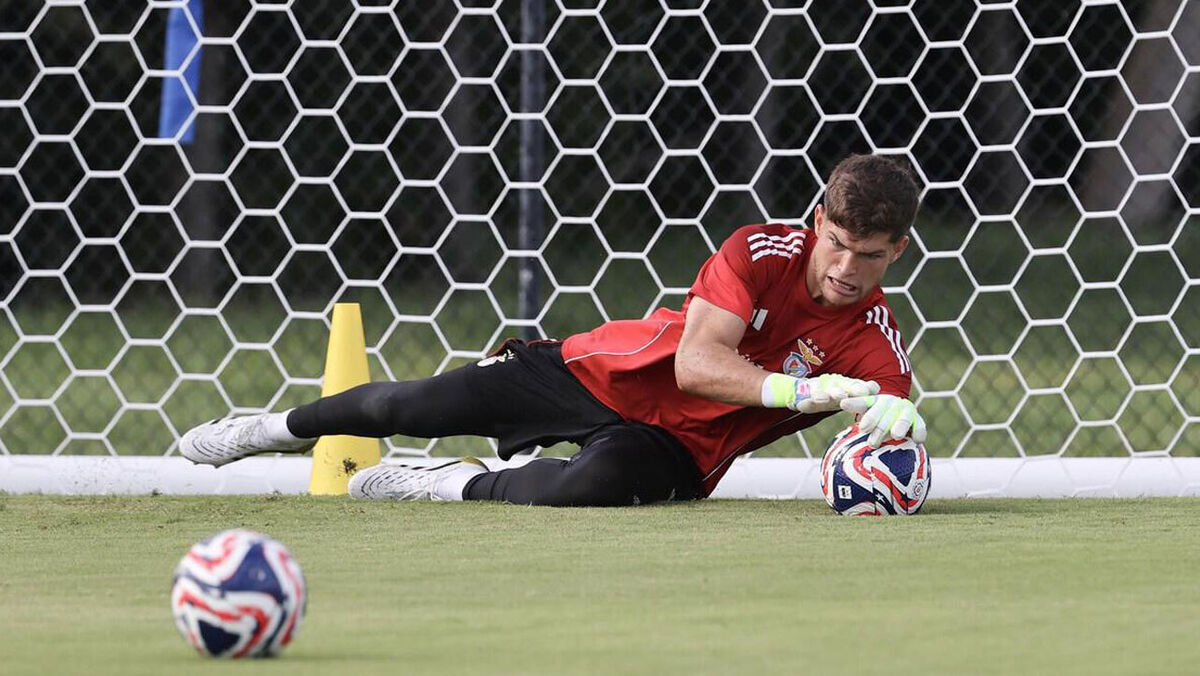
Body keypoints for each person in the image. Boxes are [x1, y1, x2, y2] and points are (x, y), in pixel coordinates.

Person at [180, 153, 927, 506]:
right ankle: (270, 429)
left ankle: (450, 482)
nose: (845, 268)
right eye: (837, 244)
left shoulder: (876, 341)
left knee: (590, 486)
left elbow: (892, 418)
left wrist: (902, 423)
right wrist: (805, 392)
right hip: (596, 372)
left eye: (868, 256)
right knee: (402, 405)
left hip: (680, 449)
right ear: (818, 221)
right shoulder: (758, 251)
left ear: (897, 251)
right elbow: (697, 364)